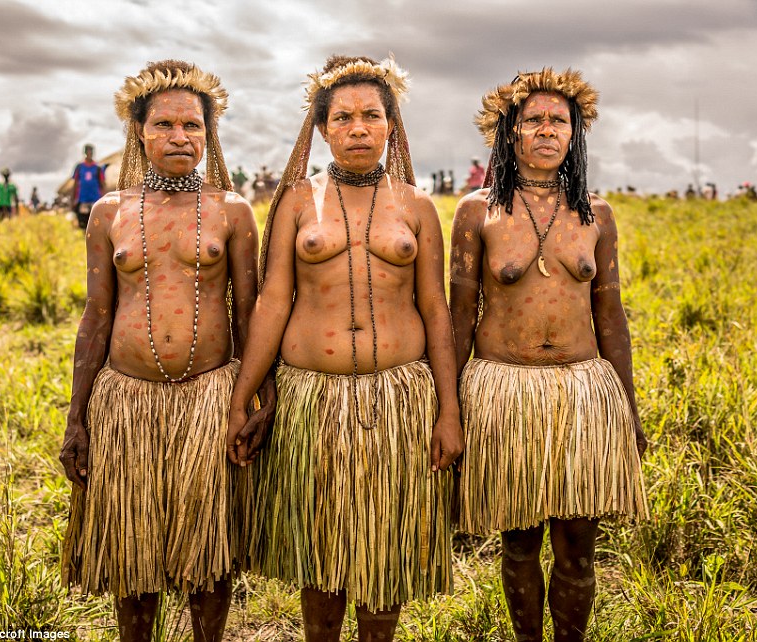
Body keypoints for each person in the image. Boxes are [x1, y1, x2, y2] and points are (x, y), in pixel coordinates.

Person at [227, 55, 463, 641]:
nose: (358, 128)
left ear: (390, 126)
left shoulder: (416, 205)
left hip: (397, 400)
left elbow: (436, 308)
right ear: (322, 128)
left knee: (385, 557)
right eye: (343, 117)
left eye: (371, 116)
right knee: (322, 557)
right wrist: (244, 397)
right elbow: (272, 302)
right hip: (314, 402)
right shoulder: (298, 201)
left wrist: (449, 409)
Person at [59, 59, 266, 642]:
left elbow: (250, 313)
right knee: (132, 554)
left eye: (193, 126)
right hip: (124, 402)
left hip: (209, 399)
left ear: (209, 134)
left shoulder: (232, 211)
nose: (180, 137)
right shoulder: (109, 212)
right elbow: (96, 315)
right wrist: (77, 416)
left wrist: (255, 396)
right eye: (166, 126)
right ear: (140, 133)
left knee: (210, 556)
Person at [449, 68, 648, 642]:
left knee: (578, 546)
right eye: (531, 119)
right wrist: (450, 408)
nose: (545, 130)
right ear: (509, 132)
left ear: (574, 134)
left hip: (584, 394)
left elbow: (611, 317)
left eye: (557, 121)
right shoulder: (477, 212)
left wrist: (627, 410)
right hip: (502, 391)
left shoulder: (596, 214)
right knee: (517, 542)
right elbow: (458, 319)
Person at [71, 144, 106, 230]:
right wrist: (73, 199)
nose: (89, 153)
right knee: (83, 223)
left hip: (95, 199)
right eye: (88, 151)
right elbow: (75, 184)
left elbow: (102, 184)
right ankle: (84, 241)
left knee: (95, 223)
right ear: (85, 153)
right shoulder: (79, 167)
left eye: (91, 151)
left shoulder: (98, 168)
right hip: (83, 199)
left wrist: (104, 199)